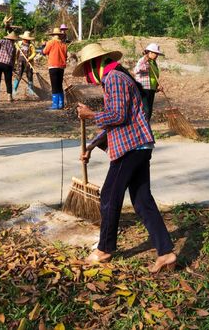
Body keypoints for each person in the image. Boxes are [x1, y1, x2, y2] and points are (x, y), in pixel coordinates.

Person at [74, 43, 177, 274]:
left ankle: (105, 249)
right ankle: (166, 253)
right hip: (139, 146)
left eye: (87, 72)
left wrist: (90, 114)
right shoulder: (117, 77)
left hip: (131, 148)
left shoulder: (114, 79)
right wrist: (92, 145)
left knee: (109, 196)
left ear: (95, 65)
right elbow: (119, 117)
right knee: (142, 201)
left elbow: (118, 116)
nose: (89, 78)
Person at [133, 42, 164, 122]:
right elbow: (135, 71)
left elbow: (154, 77)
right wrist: (144, 63)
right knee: (145, 109)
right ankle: (142, 127)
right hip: (143, 88)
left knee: (149, 109)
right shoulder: (143, 60)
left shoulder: (154, 63)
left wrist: (158, 86)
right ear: (150, 52)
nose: (157, 55)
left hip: (151, 89)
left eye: (157, 54)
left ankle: (146, 127)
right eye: (155, 53)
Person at [42, 27, 68, 110]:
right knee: (59, 85)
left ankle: (55, 104)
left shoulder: (51, 42)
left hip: (53, 66)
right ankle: (61, 103)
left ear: (53, 35)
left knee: (54, 85)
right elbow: (66, 56)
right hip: (61, 67)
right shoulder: (64, 45)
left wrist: (43, 46)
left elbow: (44, 52)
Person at [0, 31, 18, 102]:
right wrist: (13, 66)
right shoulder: (13, 46)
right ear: (14, 39)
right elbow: (13, 58)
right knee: (8, 81)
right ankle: (9, 97)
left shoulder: (2, 41)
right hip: (7, 65)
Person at [14, 31, 37, 98]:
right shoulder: (19, 43)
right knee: (19, 75)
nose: (26, 40)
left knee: (29, 76)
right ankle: (14, 90)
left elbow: (34, 53)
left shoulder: (31, 45)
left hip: (28, 63)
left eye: (27, 39)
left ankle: (30, 91)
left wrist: (29, 58)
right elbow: (16, 50)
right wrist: (17, 47)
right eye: (25, 39)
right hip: (20, 62)